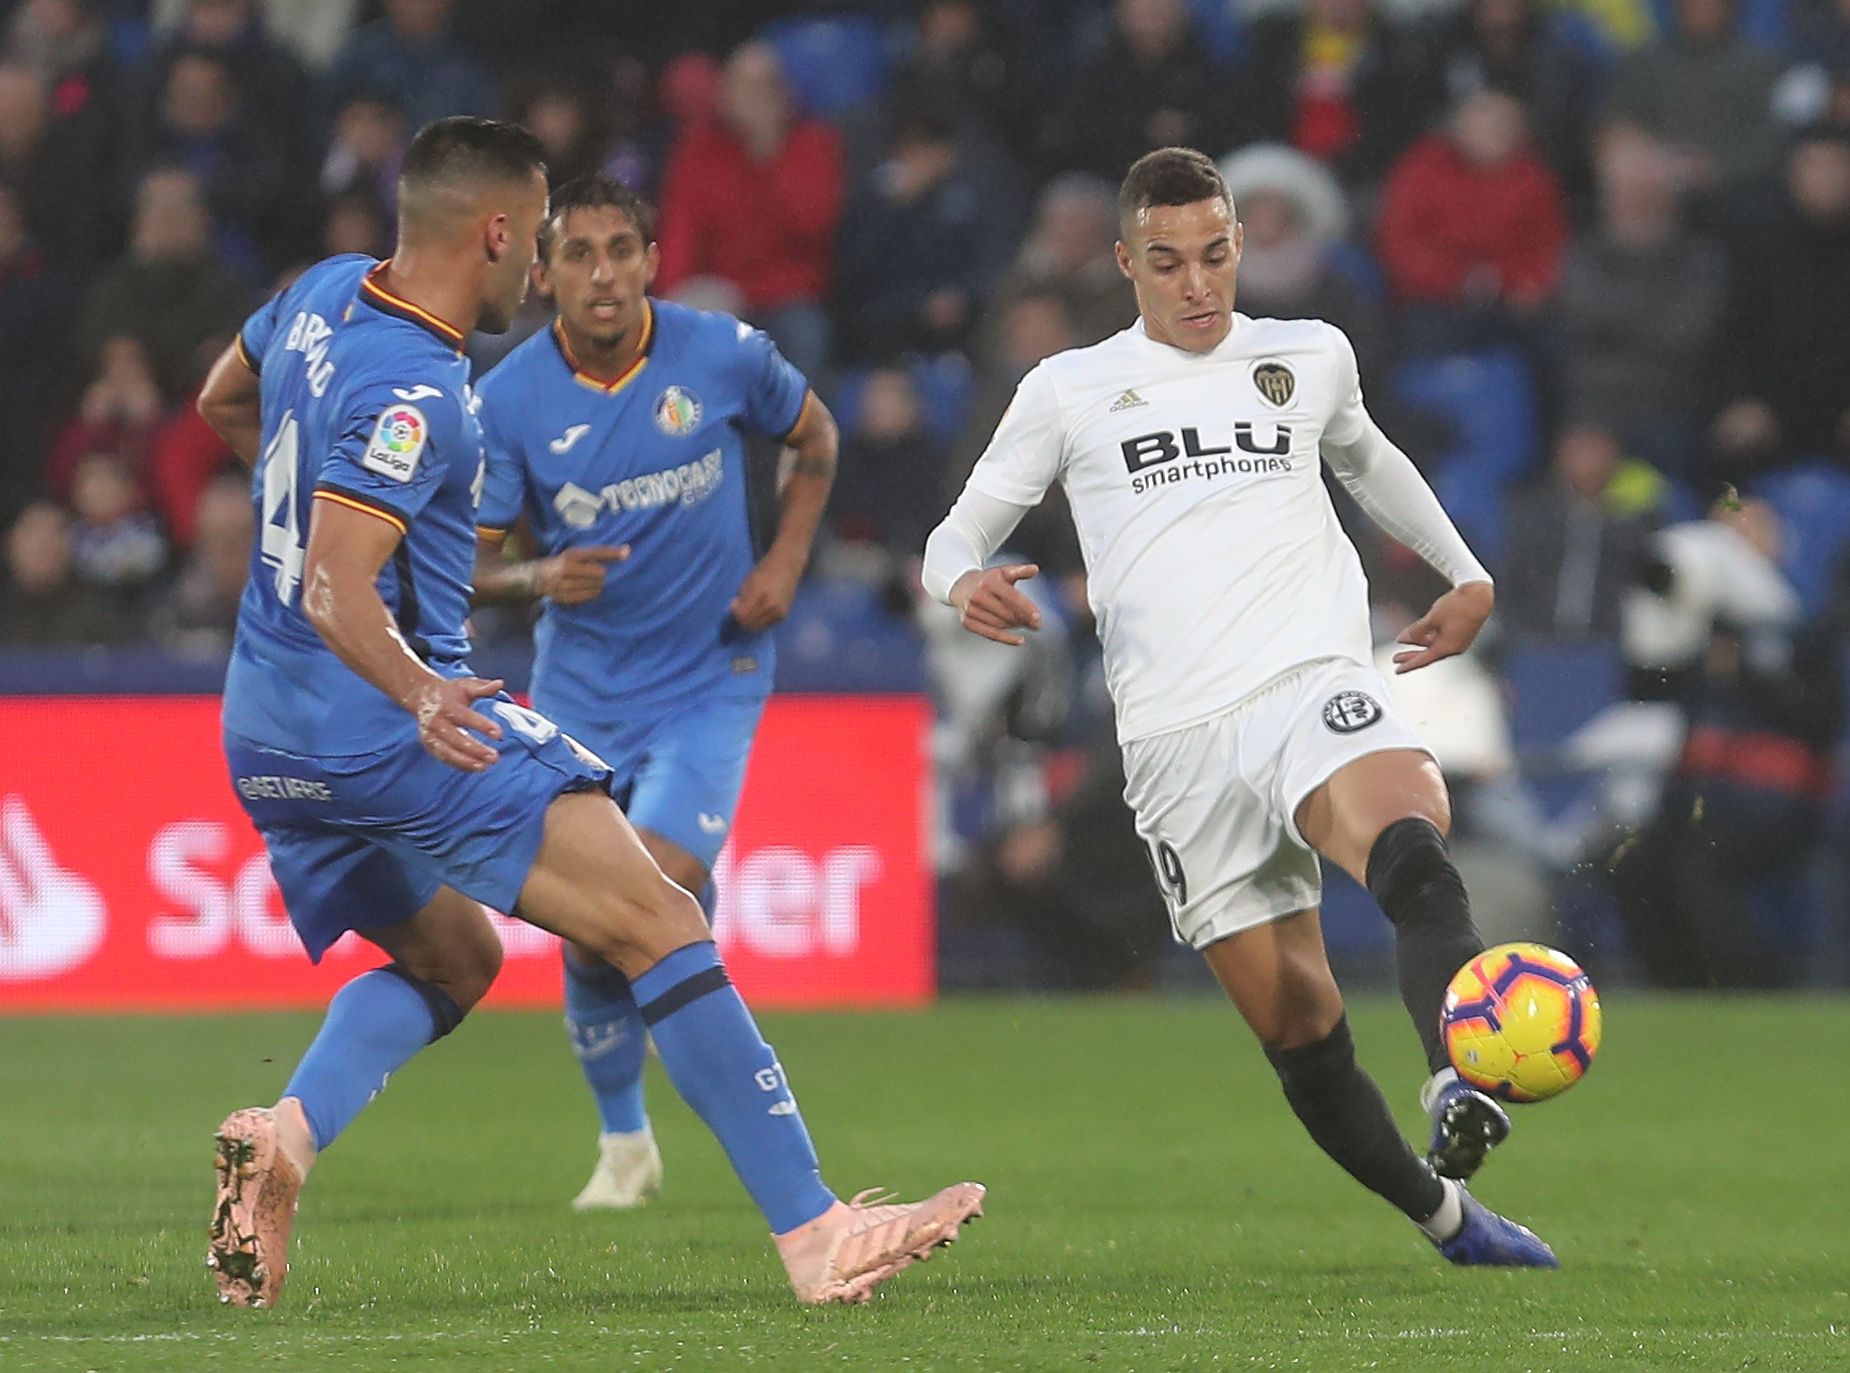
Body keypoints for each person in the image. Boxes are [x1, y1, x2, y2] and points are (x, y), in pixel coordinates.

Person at [193, 117, 981, 1311]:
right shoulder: (423, 389)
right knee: (659, 916)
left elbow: (221, 400)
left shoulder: (319, 293)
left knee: (452, 957)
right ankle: (814, 1230)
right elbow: (333, 582)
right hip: (393, 721)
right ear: (503, 234)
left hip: (265, 724)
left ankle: (287, 1135)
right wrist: (417, 686)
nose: (544, 268)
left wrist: (303, 503)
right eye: (542, 239)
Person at [923, 146, 1554, 1266]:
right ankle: (1446, 1218)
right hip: (1173, 744)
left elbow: (1369, 460)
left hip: (1308, 677)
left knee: (1408, 843)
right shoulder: (1066, 389)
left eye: (1214, 255)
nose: (1196, 285)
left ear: (1237, 247)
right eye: (1167, 263)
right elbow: (957, 530)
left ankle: (1460, 1065)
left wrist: (1462, 572)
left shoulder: (1306, 355)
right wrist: (959, 579)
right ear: (1125, 262)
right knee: (1299, 1032)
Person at [468, 172, 839, 1213]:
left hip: (709, 673)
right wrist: (535, 577)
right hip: (580, 689)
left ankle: (719, 1108)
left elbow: (815, 438)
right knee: (595, 925)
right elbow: (462, 564)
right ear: (541, 274)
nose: (601, 273)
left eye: (619, 250)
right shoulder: (506, 403)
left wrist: (787, 561)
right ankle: (625, 1139)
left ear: (649, 260)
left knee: (655, 873)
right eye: (578, 253)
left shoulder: (718, 352)